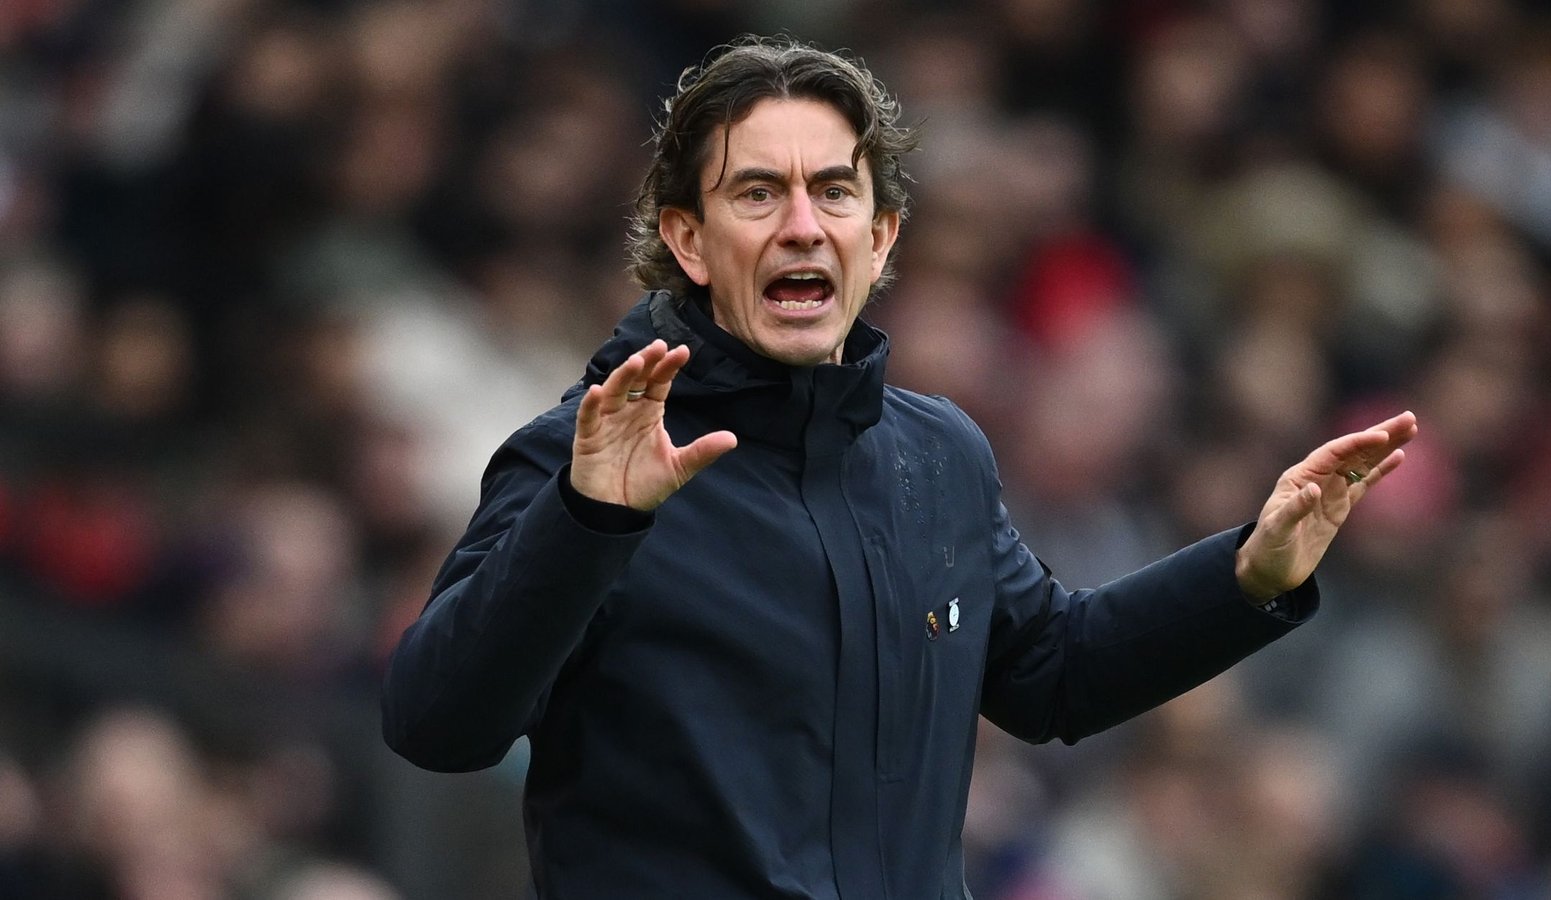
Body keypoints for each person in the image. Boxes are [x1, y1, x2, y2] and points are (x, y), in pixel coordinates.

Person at [380, 35, 1417, 899]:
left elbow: (1050, 675)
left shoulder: (936, 457)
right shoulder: (585, 456)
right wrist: (588, 520)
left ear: (879, 242)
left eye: (834, 193)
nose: (801, 224)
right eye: (757, 193)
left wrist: (1250, 575)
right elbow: (439, 725)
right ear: (687, 240)